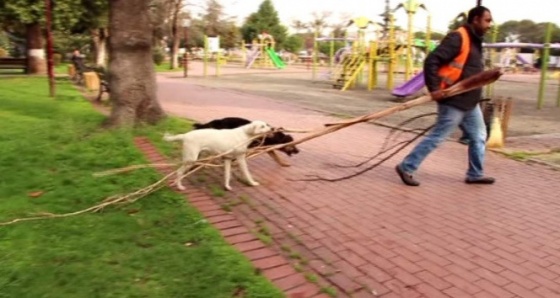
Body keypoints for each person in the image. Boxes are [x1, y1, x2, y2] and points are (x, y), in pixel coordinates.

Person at [395, 6, 495, 187]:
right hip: (453, 100)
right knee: (438, 137)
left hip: (470, 103)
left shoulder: (476, 40)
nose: (490, 24)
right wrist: (434, 89)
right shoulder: (458, 37)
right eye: (487, 20)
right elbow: (431, 60)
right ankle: (406, 166)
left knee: (479, 136)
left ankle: (475, 173)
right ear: (475, 20)